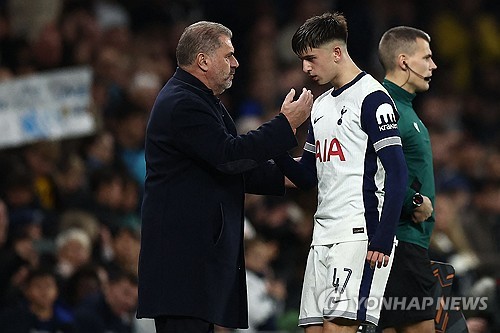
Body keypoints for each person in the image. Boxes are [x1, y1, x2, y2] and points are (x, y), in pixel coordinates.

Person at [136, 20, 313, 333]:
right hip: (183, 269)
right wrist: (285, 125)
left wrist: (293, 173)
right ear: (203, 60)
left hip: (195, 268)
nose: (236, 63)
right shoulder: (183, 103)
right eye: (229, 55)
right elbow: (229, 156)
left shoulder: (203, 101)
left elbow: (233, 165)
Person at [274, 12, 408, 332]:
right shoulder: (320, 105)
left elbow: (398, 174)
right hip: (322, 235)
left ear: (336, 53)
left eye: (310, 59)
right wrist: (276, 142)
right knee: (313, 328)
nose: (305, 68)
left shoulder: (373, 99)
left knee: (339, 328)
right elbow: (307, 176)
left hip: (358, 233)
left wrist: (383, 237)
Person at [376, 26, 437, 333]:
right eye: (426, 57)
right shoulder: (386, 108)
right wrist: (412, 202)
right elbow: (372, 170)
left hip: (404, 244)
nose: (433, 65)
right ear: (403, 61)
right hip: (402, 244)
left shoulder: (404, 108)